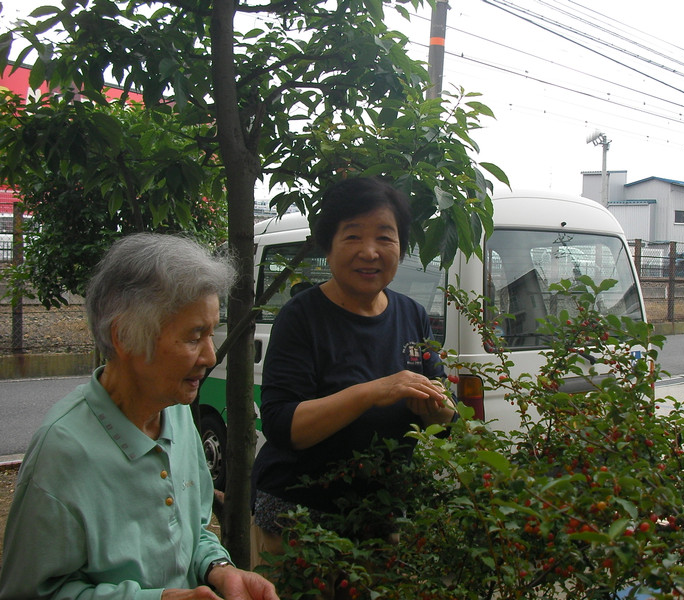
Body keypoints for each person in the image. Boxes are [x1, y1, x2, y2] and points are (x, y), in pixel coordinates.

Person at [0, 233, 279, 600]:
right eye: (195, 336)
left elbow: (193, 531)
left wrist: (220, 570)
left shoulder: (176, 412)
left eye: (211, 333)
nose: (211, 356)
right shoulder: (62, 453)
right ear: (126, 336)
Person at [250, 176, 457, 564]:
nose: (369, 251)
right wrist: (375, 392)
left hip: (379, 519)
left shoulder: (412, 315)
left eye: (385, 237)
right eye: (352, 237)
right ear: (328, 247)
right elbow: (281, 425)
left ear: (401, 246)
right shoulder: (301, 318)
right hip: (299, 525)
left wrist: (440, 409)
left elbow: (444, 408)